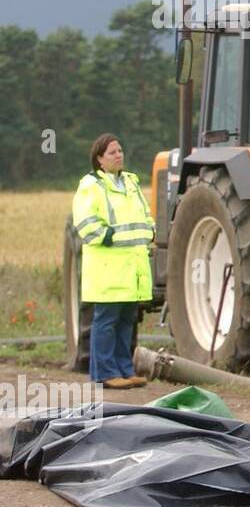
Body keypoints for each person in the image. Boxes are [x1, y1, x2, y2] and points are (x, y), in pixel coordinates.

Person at [71, 134, 155, 389]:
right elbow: (85, 222)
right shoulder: (91, 185)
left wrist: (150, 231)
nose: (118, 155)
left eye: (120, 150)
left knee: (125, 322)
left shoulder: (131, 182)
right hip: (108, 269)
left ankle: (124, 370)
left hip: (131, 268)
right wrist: (108, 236)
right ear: (99, 159)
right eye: (112, 152)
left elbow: (144, 214)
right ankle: (105, 374)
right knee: (106, 322)